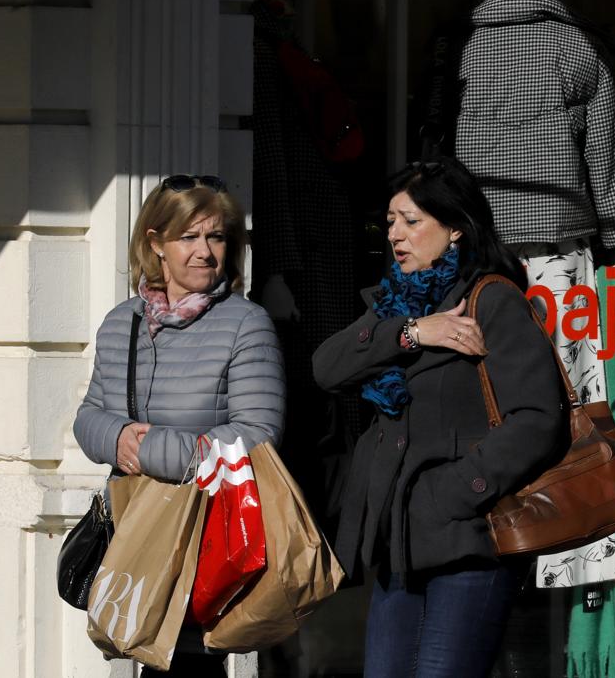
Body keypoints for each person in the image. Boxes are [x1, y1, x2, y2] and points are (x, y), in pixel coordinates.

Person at [312, 156, 567, 677]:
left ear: (454, 228)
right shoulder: (395, 305)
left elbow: (538, 418)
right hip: (398, 545)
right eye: (390, 222)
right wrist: (411, 333)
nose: (396, 236)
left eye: (412, 221)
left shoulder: (492, 300)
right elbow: (326, 368)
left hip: (468, 544)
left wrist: (454, 492)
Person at [73, 174, 286, 677]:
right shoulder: (120, 322)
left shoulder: (246, 322)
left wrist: (150, 450)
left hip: (206, 530)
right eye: (188, 237)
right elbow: (88, 416)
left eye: (216, 237)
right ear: (156, 245)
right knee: (149, 658)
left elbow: (259, 434)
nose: (205, 252)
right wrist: (117, 438)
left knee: (191, 662)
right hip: (138, 527)